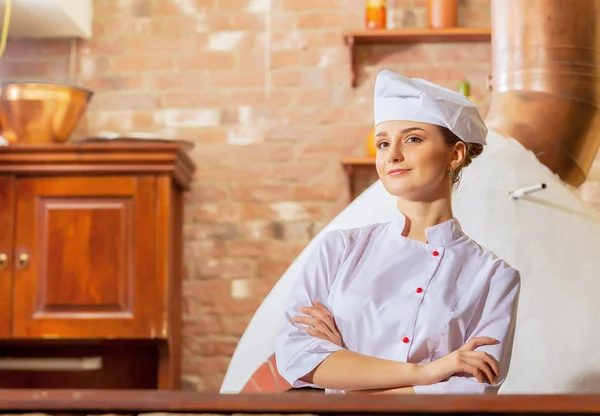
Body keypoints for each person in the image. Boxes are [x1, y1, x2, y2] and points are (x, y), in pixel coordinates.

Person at [274, 69, 521, 395]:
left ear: (456, 154)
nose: (392, 154)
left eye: (413, 138)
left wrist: (345, 367)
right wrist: (430, 371)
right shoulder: (338, 249)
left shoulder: (494, 277)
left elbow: (467, 393)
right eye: (383, 143)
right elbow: (297, 358)